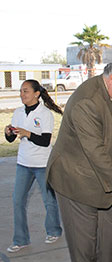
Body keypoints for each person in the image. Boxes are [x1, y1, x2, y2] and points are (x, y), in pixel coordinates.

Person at [46, 59, 112, 262]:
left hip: (106, 173)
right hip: (77, 177)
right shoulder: (88, 101)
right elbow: (94, 149)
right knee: (83, 235)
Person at [5, 79, 63, 253]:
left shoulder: (45, 114)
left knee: (48, 200)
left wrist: (27, 133)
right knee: (17, 200)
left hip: (42, 164)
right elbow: (11, 139)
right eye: (21, 91)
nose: (22, 94)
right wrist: (9, 133)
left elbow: (45, 141)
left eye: (26, 91)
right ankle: (21, 239)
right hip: (23, 163)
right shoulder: (18, 112)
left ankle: (54, 230)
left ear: (37, 94)